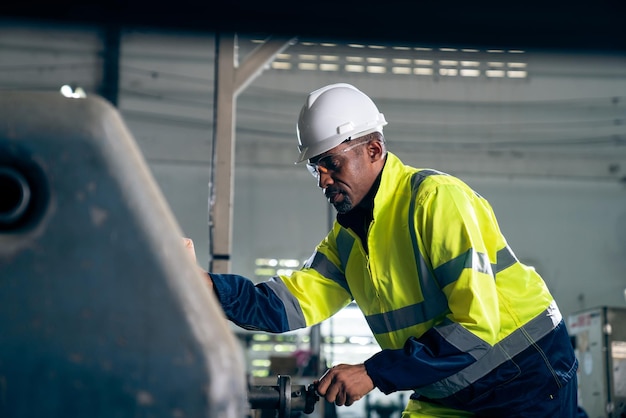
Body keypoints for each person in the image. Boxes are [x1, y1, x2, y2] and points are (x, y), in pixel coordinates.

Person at [193, 83, 579, 417]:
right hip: (446, 387)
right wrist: (204, 286)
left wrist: (373, 372)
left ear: (374, 150)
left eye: (332, 163)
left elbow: (475, 328)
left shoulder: (436, 201)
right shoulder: (347, 240)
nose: (323, 180)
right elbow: (283, 305)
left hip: (525, 377)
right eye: (316, 168)